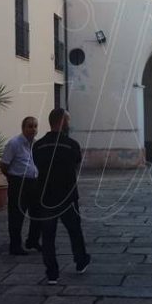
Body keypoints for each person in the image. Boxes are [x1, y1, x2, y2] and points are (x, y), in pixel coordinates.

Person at [33, 108, 90, 285]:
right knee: (75, 231)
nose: (69, 124)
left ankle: (52, 273)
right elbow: (76, 163)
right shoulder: (71, 145)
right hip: (67, 197)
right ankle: (80, 262)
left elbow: (37, 164)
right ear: (63, 122)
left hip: (46, 197)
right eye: (68, 120)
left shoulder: (38, 145)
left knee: (48, 236)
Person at [0, 116, 42, 255]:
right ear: (23, 128)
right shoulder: (14, 143)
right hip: (19, 183)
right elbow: (4, 165)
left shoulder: (36, 144)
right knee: (16, 216)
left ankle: (32, 241)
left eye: (35, 126)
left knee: (37, 214)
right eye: (30, 126)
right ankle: (15, 246)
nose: (33, 129)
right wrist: (13, 179)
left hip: (34, 183)